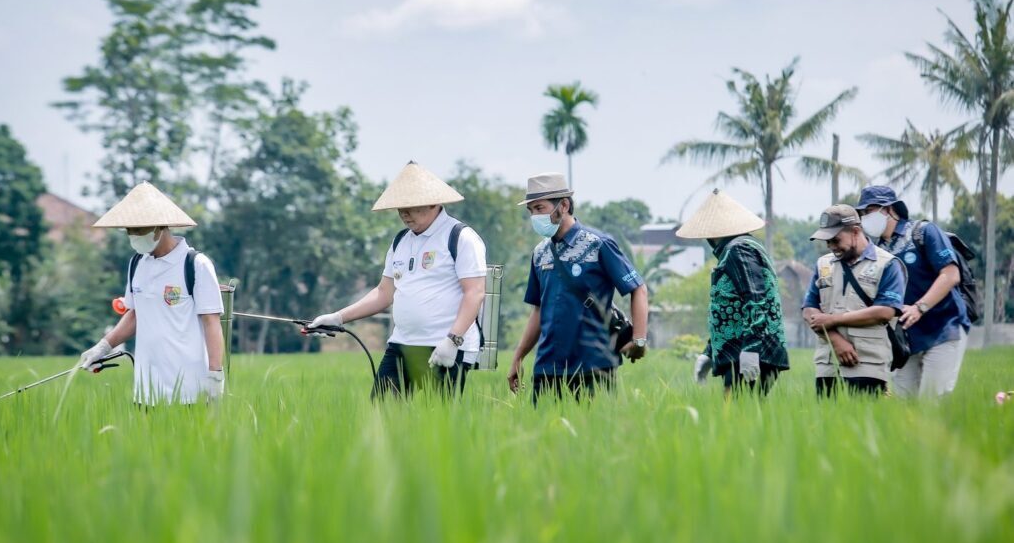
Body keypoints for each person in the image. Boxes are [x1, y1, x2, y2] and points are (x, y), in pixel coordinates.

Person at [310, 162, 487, 398]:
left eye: (410, 207)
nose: (404, 213)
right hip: (402, 344)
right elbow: (384, 293)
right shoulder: (401, 241)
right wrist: (338, 317)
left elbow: (474, 293)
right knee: (382, 418)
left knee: (437, 426)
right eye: (399, 208)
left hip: (444, 347)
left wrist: (453, 340)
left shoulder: (460, 237)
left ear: (433, 202)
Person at [507, 172, 649, 403]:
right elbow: (538, 310)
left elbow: (638, 288)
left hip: (594, 365)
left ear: (563, 205)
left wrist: (640, 339)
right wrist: (518, 358)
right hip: (547, 366)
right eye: (531, 210)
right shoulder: (540, 253)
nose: (535, 216)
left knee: (594, 435)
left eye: (540, 208)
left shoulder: (598, 243)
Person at [81, 182, 225, 405]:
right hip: (146, 390)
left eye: (139, 230)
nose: (133, 236)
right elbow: (135, 314)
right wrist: (103, 346)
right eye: (129, 231)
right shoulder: (137, 263)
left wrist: (215, 376)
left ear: (160, 227)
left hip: (188, 389)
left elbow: (211, 322)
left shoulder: (195, 264)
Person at [856, 186, 971, 397]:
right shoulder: (877, 251)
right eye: (862, 214)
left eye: (869, 211)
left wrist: (920, 307)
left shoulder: (923, 232)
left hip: (943, 329)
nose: (865, 218)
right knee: (903, 406)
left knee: (932, 402)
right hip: (907, 340)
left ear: (888, 209)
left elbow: (950, 274)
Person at [677, 189, 789, 396]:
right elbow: (730, 309)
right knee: (740, 420)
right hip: (739, 352)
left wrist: (752, 350)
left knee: (739, 419)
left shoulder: (739, 249)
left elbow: (756, 300)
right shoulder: (735, 250)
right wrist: (710, 352)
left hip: (748, 353)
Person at [801, 204, 907, 398]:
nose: (832, 247)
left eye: (835, 240)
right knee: (825, 425)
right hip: (828, 364)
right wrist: (835, 340)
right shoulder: (823, 264)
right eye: (827, 242)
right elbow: (809, 309)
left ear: (856, 232)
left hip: (867, 364)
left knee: (865, 425)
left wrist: (833, 320)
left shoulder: (888, 264)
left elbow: (885, 311)